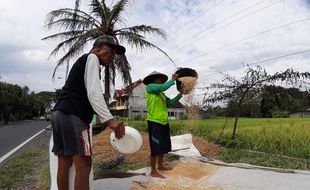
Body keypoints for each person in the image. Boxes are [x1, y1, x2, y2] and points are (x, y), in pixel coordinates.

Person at [51, 35, 126, 190]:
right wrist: (109, 119)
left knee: (64, 162)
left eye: (114, 54)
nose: (112, 57)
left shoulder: (84, 61)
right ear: (98, 48)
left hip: (59, 114)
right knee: (84, 165)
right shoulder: (92, 58)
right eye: (110, 52)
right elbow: (94, 93)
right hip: (74, 116)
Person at [143, 71, 182, 178]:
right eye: (158, 79)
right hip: (154, 122)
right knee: (155, 148)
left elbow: (171, 103)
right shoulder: (150, 88)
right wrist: (173, 80)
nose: (160, 80)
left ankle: (160, 166)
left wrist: (181, 94)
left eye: (161, 79)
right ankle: (153, 171)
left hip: (164, 122)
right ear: (152, 80)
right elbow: (163, 87)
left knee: (162, 146)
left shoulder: (162, 95)